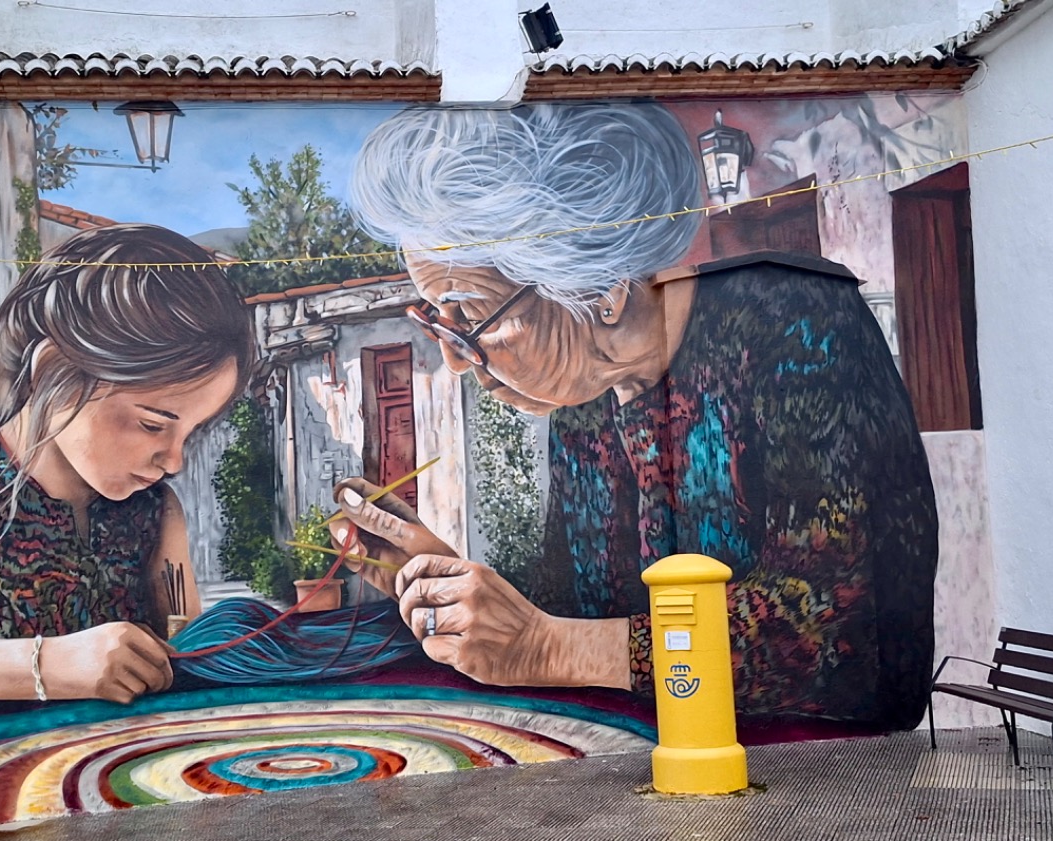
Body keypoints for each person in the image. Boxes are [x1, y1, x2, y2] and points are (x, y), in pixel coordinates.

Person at [339, 103, 939, 728]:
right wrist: (439, 575)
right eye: (436, 320)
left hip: (824, 779)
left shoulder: (795, 321)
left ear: (602, 294)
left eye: (469, 317)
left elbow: (834, 635)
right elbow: (568, 611)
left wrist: (547, 647)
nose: (456, 361)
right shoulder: (583, 399)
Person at [0, 224, 256, 706]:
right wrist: (47, 665)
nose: (174, 460)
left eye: (191, 432)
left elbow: (184, 650)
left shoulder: (154, 511)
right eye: (153, 424)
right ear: (52, 372)